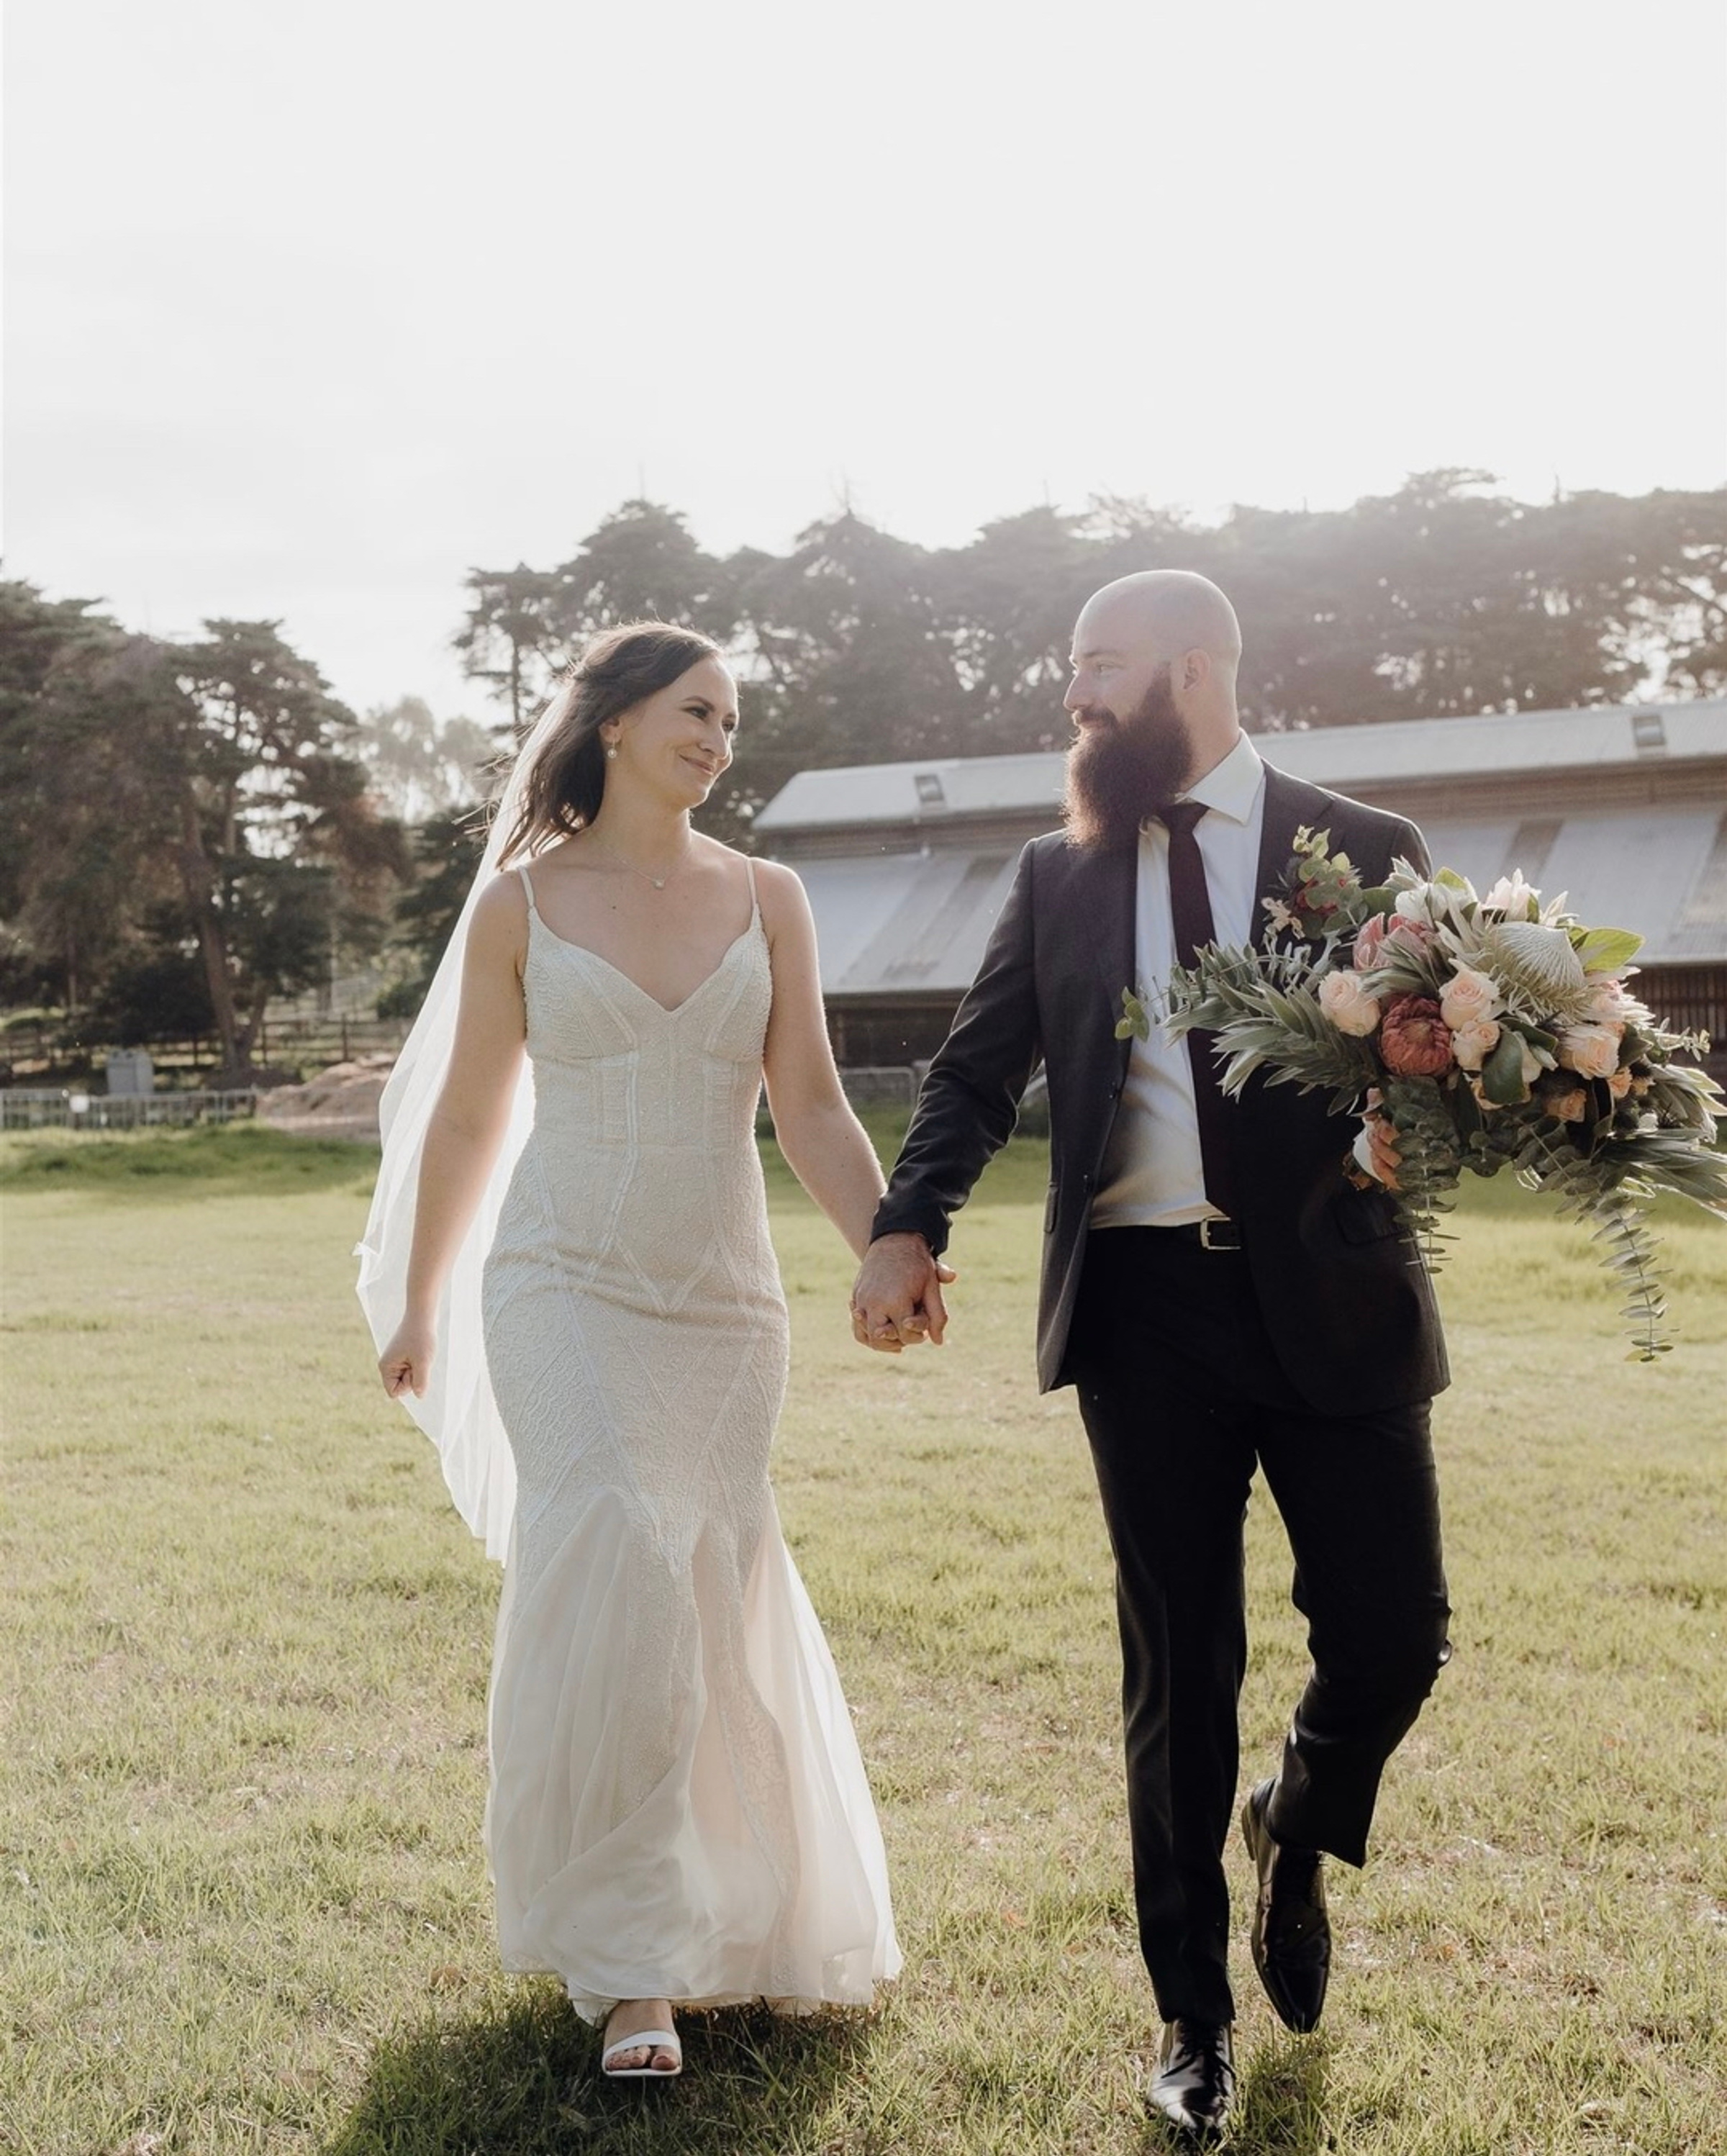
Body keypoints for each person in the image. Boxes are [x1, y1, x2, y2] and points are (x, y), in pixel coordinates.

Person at [851, 571, 1451, 2142]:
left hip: (1336, 1294)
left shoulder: (1366, 851)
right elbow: (976, 1071)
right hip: (1140, 1313)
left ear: (1194, 669)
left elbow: (1433, 1059)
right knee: (1180, 1675)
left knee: (1394, 1635)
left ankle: (1296, 1814)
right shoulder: (1060, 873)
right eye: (1074, 672)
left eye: (1100, 668)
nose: (1078, 700)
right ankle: (1193, 2018)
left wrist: (1420, 1127)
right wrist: (907, 1223)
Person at [358, 622, 900, 2081]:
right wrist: (417, 1297)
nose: (719, 737)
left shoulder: (769, 895)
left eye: (732, 717)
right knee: (614, 1544)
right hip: (559, 1282)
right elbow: (472, 1115)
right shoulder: (522, 908)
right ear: (610, 720)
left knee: (706, 1582)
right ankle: (630, 1964)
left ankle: (733, 1907)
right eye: (694, 708)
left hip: (721, 1300)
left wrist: (887, 1242)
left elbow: (815, 1106)